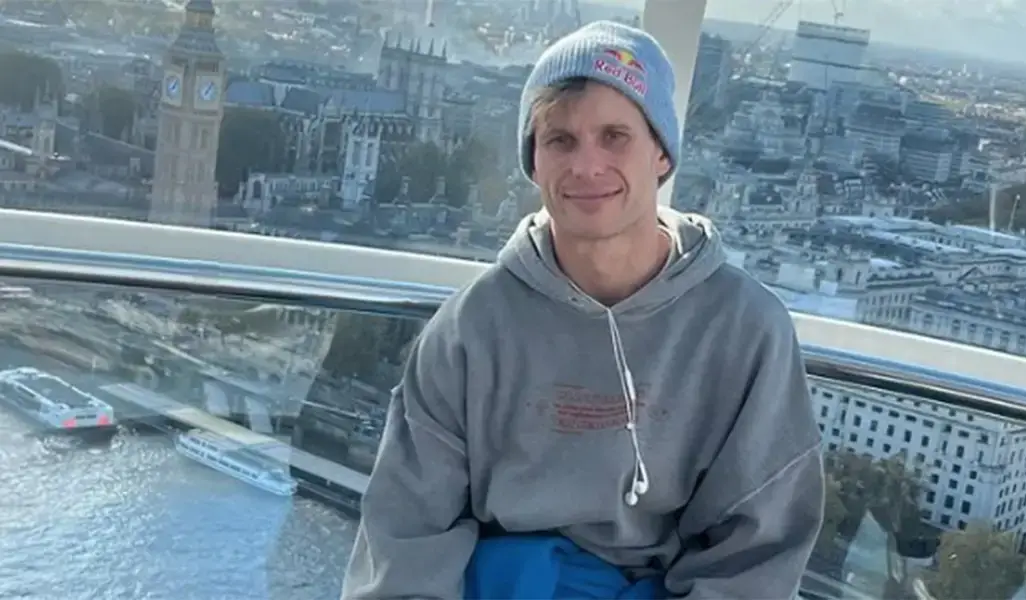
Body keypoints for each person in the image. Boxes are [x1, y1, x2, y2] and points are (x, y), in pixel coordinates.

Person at [342, 20, 825, 600]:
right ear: (535, 162)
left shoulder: (747, 332)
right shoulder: (470, 330)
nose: (586, 166)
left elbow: (755, 556)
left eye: (615, 136)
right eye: (561, 140)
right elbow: (406, 537)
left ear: (662, 154)